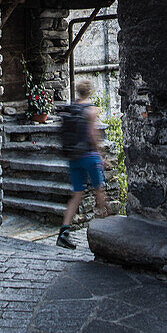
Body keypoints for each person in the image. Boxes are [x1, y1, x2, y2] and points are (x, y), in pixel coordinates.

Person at [57, 79, 109, 249]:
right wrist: (101, 156)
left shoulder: (71, 109)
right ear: (90, 92)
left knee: (77, 194)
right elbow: (93, 135)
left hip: (74, 156)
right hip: (89, 155)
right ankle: (105, 232)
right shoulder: (91, 110)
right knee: (99, 189)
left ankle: (64, 232)